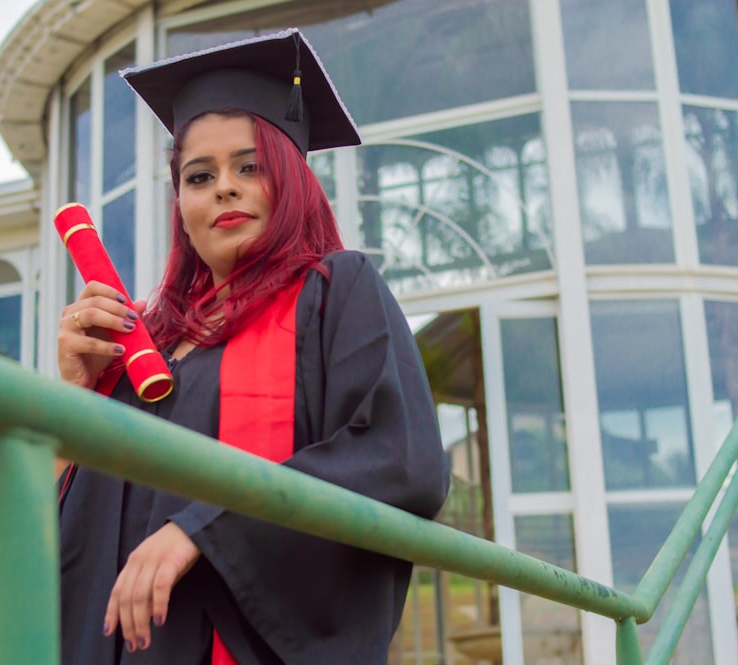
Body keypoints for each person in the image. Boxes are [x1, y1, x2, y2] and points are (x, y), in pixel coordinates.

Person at [53, 28, 450, 665]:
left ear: (290, 179)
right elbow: (64, 537)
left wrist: (201, 529)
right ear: (179, 203)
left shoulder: (335, 293)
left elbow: (399, 458)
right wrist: (75, 396)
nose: (224, 188)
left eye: (249, 166)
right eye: (199, 175)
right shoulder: (141, 348)